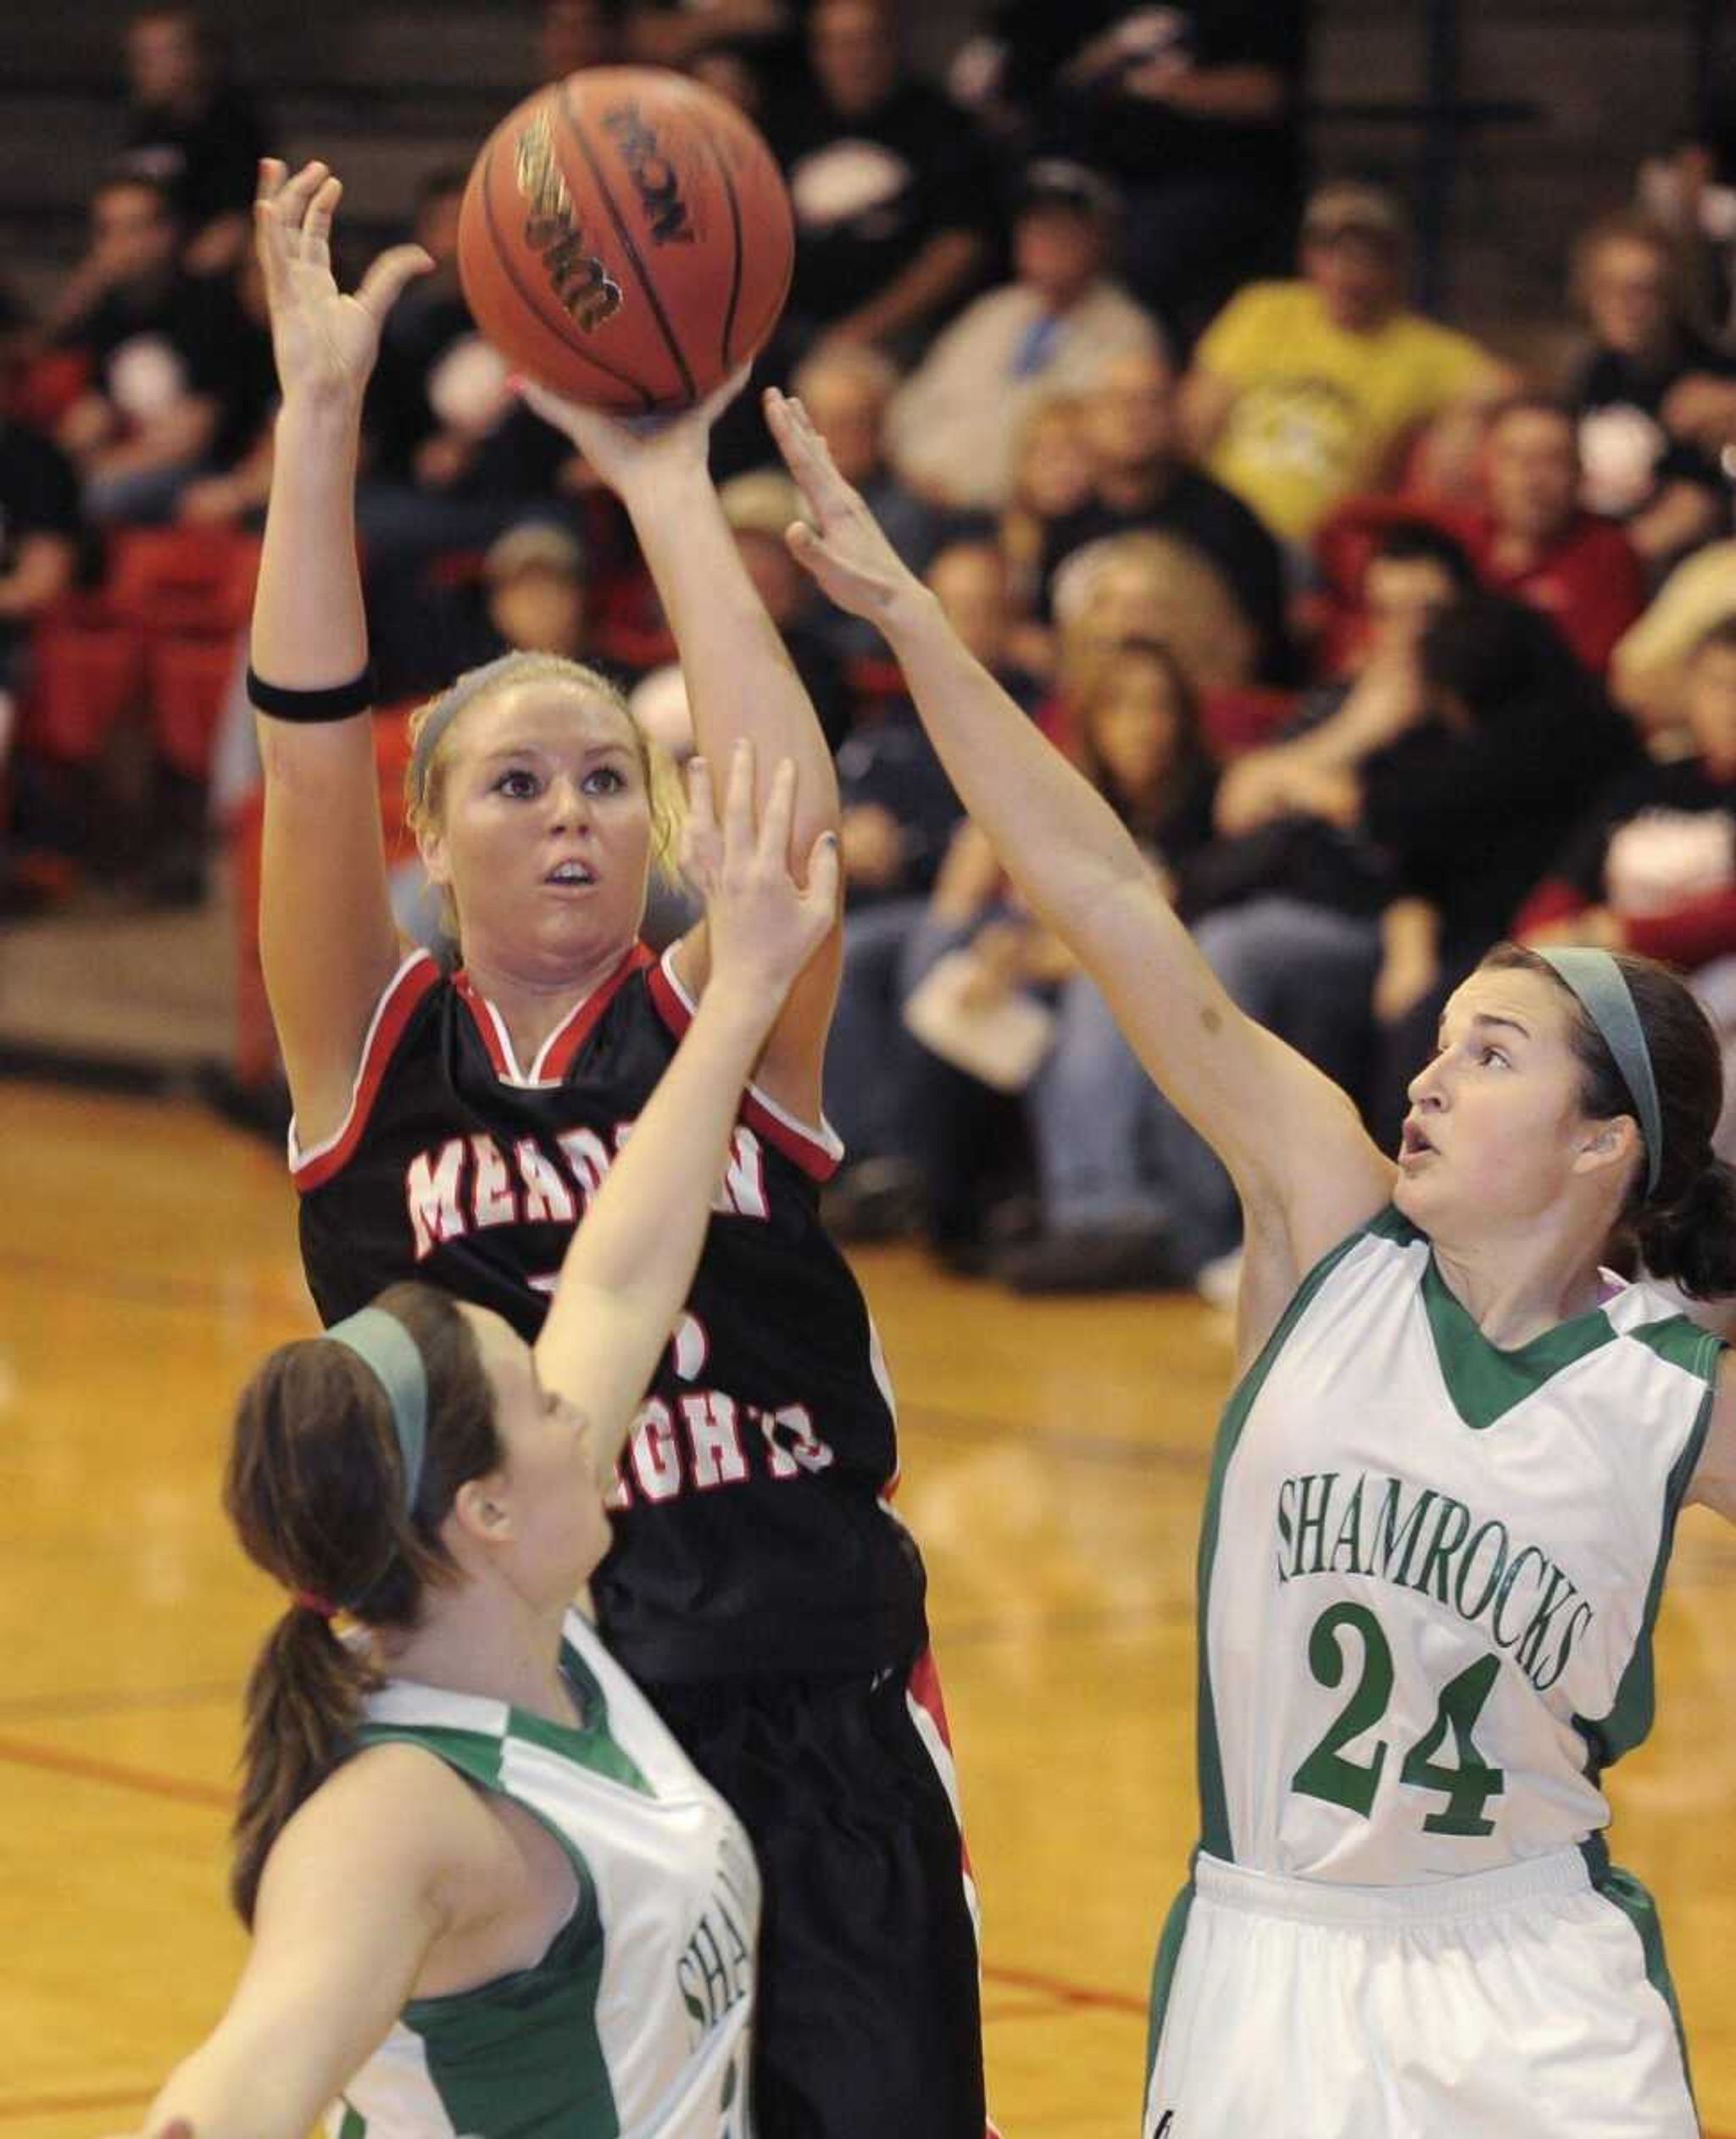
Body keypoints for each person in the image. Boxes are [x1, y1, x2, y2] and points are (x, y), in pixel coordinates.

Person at [765, 378, 1736, 2137]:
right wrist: (909, 613)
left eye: (1494, 1055)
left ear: (1605, 1146)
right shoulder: (1325, 1227)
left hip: (1537, 1978)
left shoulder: (1675, 1393)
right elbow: (1110, 895)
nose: (1429, 1075)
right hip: (1275, 1959)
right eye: (1440, 1039)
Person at [247, 159, 987, 2139]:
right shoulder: (374, 1047)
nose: (575, 812)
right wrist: (319, 420)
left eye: (607, 777)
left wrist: (667, 476)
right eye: (516, 782)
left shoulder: (724, 1000)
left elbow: (781, 818)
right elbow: (309, 746)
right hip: (532, 1709)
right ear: (434, 838)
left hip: (810, 1682)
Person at [108, 744, 838, 2139]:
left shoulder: (527, 1628)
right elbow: (234, 2088)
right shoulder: (402, 1812)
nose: (585, 1412)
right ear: (484, 1510)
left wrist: (742, 988)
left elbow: (619, 1274)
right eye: (543, 1404)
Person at [1182, 181, 1513, 549]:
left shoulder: (1425, 348)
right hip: (1220, 520)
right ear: (1308, 257)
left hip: (1323, 544)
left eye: (1367, 257)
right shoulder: (1263, 308)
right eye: (1334, 255)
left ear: (1396, 265)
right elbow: (1195, 415)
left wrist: (1467, 419)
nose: (1349, 273)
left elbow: (1513, 387)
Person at [885, 159, 1166, 512]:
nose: (1045, 240)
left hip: (1022, 515)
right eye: (1034, 226)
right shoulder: (995, 310)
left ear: (1099, 237)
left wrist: (973, 493)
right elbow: (916, 402)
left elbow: (1084, 454)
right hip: (923, 495)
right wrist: (917, 470)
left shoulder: (1128, 333)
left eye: (1063, 228)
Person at [1566, 211, 1736, 568]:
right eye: (1610, 288)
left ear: (1673, 296)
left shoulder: (1709, 382)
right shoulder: (1595, 373)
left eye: (1645, 290)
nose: (1628, 306)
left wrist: (1598, 568)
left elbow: (1695, 509)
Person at [1463, 394, 1647, 677]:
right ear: (1488, 467)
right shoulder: (1461, 539)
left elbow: (1600, 669)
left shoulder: (1607, 555)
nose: (1532, 479)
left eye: (1551, 460)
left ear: (1578, 472)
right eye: (1515, 458)